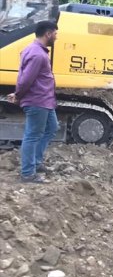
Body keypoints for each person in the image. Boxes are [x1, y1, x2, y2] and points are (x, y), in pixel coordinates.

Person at [8, 20, 60, 183]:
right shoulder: (37, 54)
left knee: (52, 127)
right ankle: (28, 173)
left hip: (45, 100)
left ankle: (36, 162)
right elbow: (25, 79)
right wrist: (18, 95)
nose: (56, 38)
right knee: (32, 135)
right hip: (38, 100)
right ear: (48, 34)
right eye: (56, 34)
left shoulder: (35, 51)